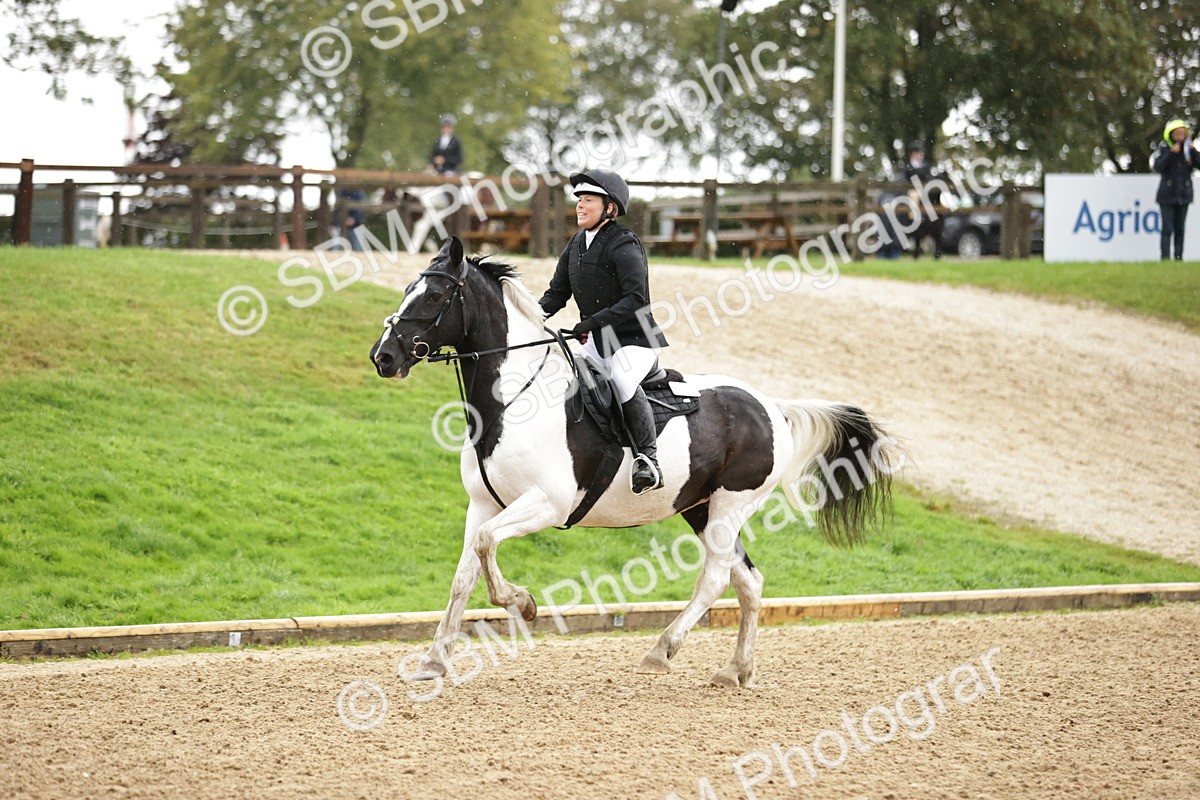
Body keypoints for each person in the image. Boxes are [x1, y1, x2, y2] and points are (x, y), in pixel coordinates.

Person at [538, 169, 670, 495]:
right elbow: (556, 294)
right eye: (579, 200)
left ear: (609, 208)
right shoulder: (576, 244)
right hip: (596, 342)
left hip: (634, 340)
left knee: (622, 380)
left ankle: (648, 460)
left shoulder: (624, 243)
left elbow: (636, 299)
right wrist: (530, 318)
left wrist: (592, 322)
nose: (580, 206)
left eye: (588, 200)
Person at [1153, 118, 1200, 261]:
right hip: (1167, 196)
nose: (1180, 136)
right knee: (1167, 229)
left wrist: (1193, 150)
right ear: (1171, 135)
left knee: (1180, 229)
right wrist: (1171, 153)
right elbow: (1158, 166)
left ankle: (1178, 258)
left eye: (1182, 133)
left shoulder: (1189, 151)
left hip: (1183, 195)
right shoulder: (1164, 149)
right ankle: (1165, 258)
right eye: (1177, 134)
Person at [900, 140, 944, 259]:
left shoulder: (925, 166)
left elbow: (928, 178)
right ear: (913, 154)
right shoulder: (908, 167)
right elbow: (907, 180)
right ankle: (913, 219)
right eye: (918, 152)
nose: (920, 155)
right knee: (914, 197)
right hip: (913, 193)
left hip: (926, 193)